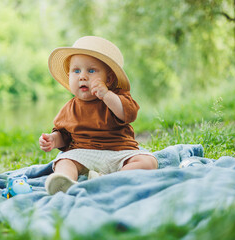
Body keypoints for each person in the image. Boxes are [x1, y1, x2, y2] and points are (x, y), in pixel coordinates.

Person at [39, 36, 158, 195]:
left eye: (91, 70)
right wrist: (53, 139)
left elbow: (127, 113)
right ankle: (64, 181)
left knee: (148, 161)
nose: (82, 76)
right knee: (64, 160)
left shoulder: (117, 97)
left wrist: (107, 95)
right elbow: (64, 135)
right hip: (84, 152)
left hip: (119, 151)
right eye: (76, 71)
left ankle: (112, 178)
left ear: (108, 79)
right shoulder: (70, 108)